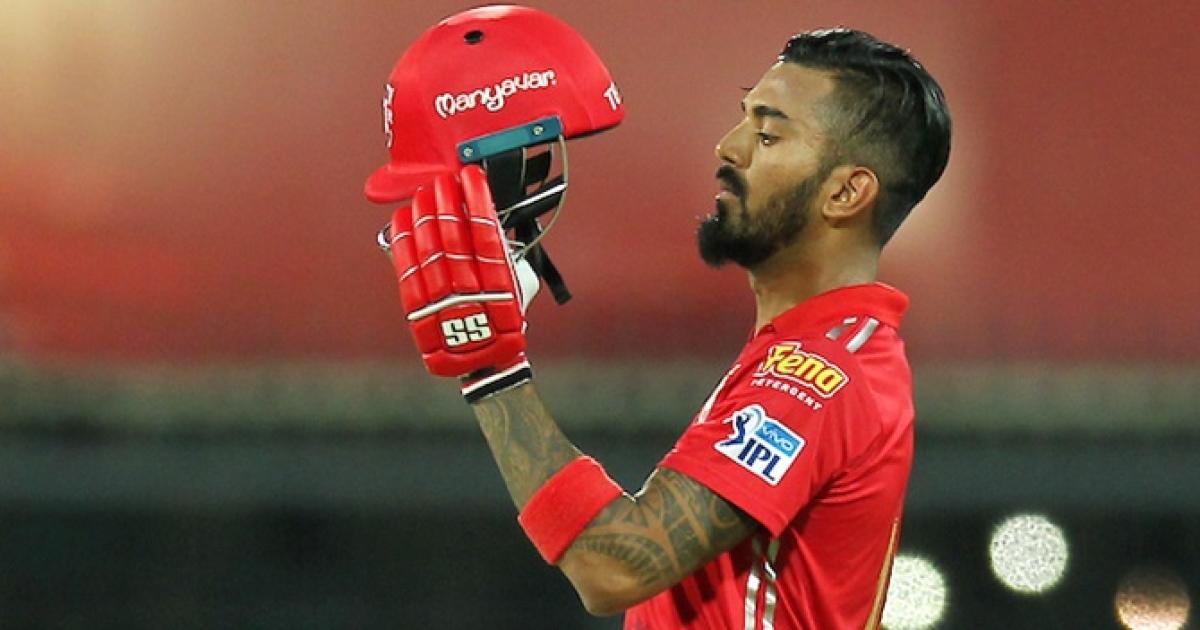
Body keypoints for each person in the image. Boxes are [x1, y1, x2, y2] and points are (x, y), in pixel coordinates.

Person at [373, 15, 951, 630]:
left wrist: (494, 371)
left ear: (846, 194)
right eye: (744, 118)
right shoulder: (817, 354)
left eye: (768, 135)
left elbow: (614, 565)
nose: (728, 146)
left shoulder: (818, 373)